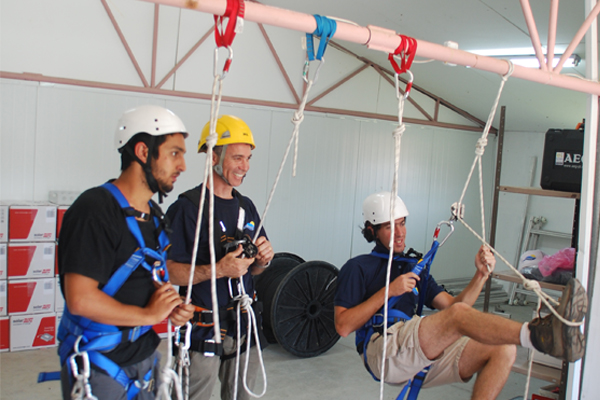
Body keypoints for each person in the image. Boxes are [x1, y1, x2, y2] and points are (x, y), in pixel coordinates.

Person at [334, 191, 587, 400]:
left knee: (502, 349)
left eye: (402, 223)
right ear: (371, 231)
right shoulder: (358, 268)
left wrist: (480, 275)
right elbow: (343, 326)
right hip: (384, 350)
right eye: (390, 226)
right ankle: (540, 336)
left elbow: (456, 306)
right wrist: (389, 291)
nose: (400, 233)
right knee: (456, 318)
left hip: (416, 349)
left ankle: (537, 337)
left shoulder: (413, 267)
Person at [57, 105, 195, 400]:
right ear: (144, 152)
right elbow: (80, 299)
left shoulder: (156, 217)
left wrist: (170, 307)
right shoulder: (95, 210)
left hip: (145, 354)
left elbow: (146, 280)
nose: (182, 165)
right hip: (100, 365)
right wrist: (148, 315)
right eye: (174, 153)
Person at [166, 115, 274, 400]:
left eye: (248, 158)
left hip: (245, 326)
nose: (245, 166)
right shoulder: (187, 209)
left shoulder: (245, 207)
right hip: (203, 330)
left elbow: (256, 272)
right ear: (213, 156)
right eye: (238, 157)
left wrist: (263, 259)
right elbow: (168, 271)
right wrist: (218, 269)